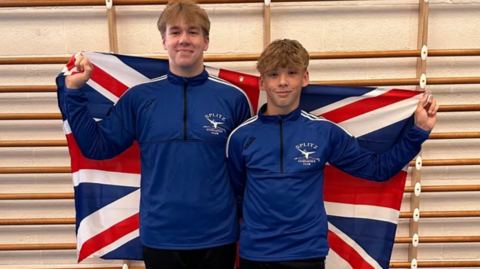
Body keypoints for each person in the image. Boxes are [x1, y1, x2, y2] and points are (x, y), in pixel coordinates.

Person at [63, 1, 253, 268]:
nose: (184, 39)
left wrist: (237, 215)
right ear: (164, 41)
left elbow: (248, 169)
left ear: (206, 41)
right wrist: (73, 93)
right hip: (160, 237)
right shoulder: (139, 99)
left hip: (218, 236)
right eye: (175, 32)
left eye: (193, 32)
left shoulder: (234, 99)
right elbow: (97, 147)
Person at [226, 39, 438, 269]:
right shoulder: (240, 137)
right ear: (262, 82)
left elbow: (378, 169)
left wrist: (419, 131)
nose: (283, 82)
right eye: (274, 74)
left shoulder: (323, 132)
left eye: (292, 73)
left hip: (306, 254)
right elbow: (237, 196)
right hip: (256, 254)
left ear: (305, 78)